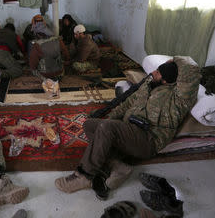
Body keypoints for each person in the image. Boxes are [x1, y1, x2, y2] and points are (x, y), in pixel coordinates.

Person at [55, 57, 201, 200]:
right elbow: (127, 104)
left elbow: (192, 69)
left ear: (166, 80)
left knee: (106, 128)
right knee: (90, 124)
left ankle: (85, 175)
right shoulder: (149, 84)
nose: (153, 72)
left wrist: (175, 59)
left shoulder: (179, 98)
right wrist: (107, 123)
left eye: (158, 72)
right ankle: (118, 166)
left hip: (148, 139)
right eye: (157, 69)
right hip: (129, 129)